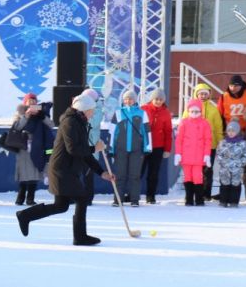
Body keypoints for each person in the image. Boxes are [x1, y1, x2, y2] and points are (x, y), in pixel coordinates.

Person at [15, 94, 115, 246]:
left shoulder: (80, 123)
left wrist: (102, 172)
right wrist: (95, 147)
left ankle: (25, 215)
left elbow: (85, 154)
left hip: (68, 170)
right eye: (91, 110)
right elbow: (74, 149)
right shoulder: (70, 122)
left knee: (61, 206)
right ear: (83, 109)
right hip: (62, 170)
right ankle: (80, 237)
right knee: (81, 198)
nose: (93, 113)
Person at [107, 87, 151, 207]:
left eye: (131, 99)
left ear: (135, 100)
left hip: (136, 150)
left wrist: (148, 147)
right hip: (120, 150)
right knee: (120, 175)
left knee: (135, 176)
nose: (128, 101)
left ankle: (134, 199)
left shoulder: (142, 113)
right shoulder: (118, 113)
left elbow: (147, 131)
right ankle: (118, 199)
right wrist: (110, 148)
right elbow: (112, 132)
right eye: (126, 99)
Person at [10, 94, 53, 206]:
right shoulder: (20, 113)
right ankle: (20, 198)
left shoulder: (41, 114)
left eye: (34, 101)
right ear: (25, 103)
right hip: (23, 148)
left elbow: (51, 125)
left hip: (37, 147)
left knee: (35, 173)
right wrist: (27, 115)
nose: (32, 103)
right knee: (24, 175)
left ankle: (30, 198)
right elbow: (17, 127)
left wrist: (42, 116)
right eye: (29, 101)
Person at [174, 101, 213, 206]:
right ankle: (189, 199)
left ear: (201, 111)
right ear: (188, 111)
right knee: (187, 177)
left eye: (197, 111)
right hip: (186, 156)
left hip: (199, 157)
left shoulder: (205, 123)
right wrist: (178, 154)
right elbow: (179, 139)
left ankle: (199, 199)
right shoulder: (184, 122)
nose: (194, 113)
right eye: (192, 111)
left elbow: (207, 140)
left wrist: (207, 155)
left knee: (197, 177)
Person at [140, 89, 172, 204]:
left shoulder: (166, 112)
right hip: (143, 146)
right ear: (152, 99)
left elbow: (168, 132)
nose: (158, 101)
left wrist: (167, 149)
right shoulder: (143, 109)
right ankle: (132, 194)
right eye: (156, 99)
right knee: (138, 171)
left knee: (153, 173)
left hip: (158, 147)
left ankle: (151, 196)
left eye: (161, 100)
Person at [213, 120, 246, 207]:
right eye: (229, 130)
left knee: (235, 184)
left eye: (233, 131)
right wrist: (222, 162)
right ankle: (223, 201)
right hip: (225, 168)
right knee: (224, 184)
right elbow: (218, 154)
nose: (231, 133)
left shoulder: (242, 143)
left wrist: (240, 163)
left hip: (237, 168)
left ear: (237, 131)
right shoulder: (223, 143)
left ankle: (234, 201)